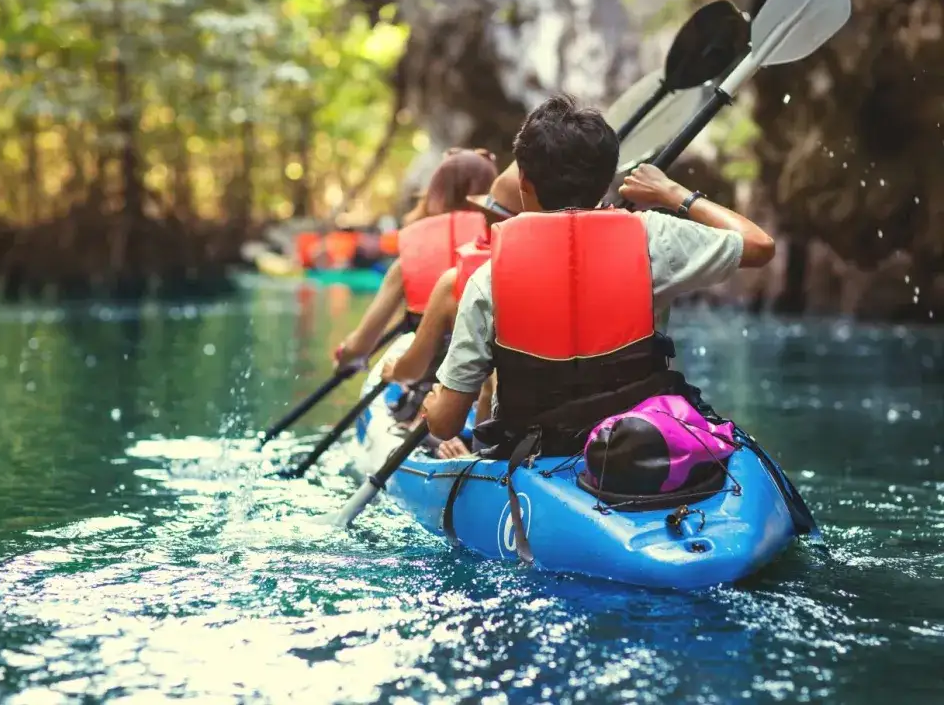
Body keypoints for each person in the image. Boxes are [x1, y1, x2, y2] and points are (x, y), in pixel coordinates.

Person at [421, 94, 775, 463]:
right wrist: (673, 193)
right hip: (639, 447)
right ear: (606, 180)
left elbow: (445, 424)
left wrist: (432, 406)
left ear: (524, 181)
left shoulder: (488, 278)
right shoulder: (653, 238)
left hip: (536, 455)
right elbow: (759, 245)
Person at [380, 163, 525, 457]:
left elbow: (421, 380)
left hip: (472, 419)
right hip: (543, 435)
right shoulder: (577, 275)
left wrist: (396, 371)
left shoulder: (458, 282)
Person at [332, 148, 497, 367]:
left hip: (424, 375)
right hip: (490, 374)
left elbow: (361, 345)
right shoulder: (503, 248)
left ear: (434, 193)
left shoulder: (410, 259)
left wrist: (345, 354)